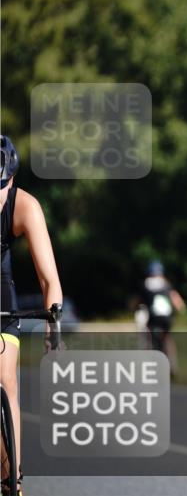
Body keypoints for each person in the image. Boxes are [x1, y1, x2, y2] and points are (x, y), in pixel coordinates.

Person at [0, 136, 64, 496]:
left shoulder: (25, 205)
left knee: (6, 378)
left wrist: (52, 326)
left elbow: (48, 279)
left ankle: (14, 481)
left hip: (0, 291)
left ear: (10, 179)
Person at [139, 260, 185, 374]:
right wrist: (179, 311)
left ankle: (149, 366)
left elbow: (139, 302)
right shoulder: (166, 284)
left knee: (148, 338)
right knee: (167, 339)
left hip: (153, 319)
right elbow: (179, 303)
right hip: (167, 319)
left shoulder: (146, 284)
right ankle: (173, 365)